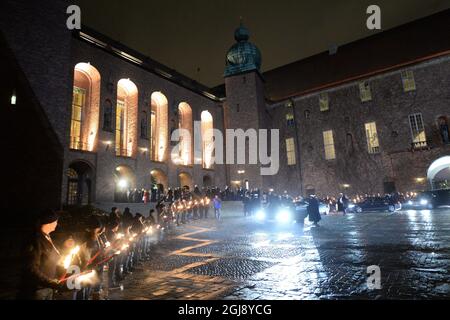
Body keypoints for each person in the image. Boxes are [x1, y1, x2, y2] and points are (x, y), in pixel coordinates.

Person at [18, 210, 65, 300]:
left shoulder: (47, 237)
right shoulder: (35, 240)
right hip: (37, 289)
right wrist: (49, 282)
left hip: (47, 287)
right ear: (49, 223)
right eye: (56, 221)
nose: (57, 224)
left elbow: (50, 258)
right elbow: (31, 268)